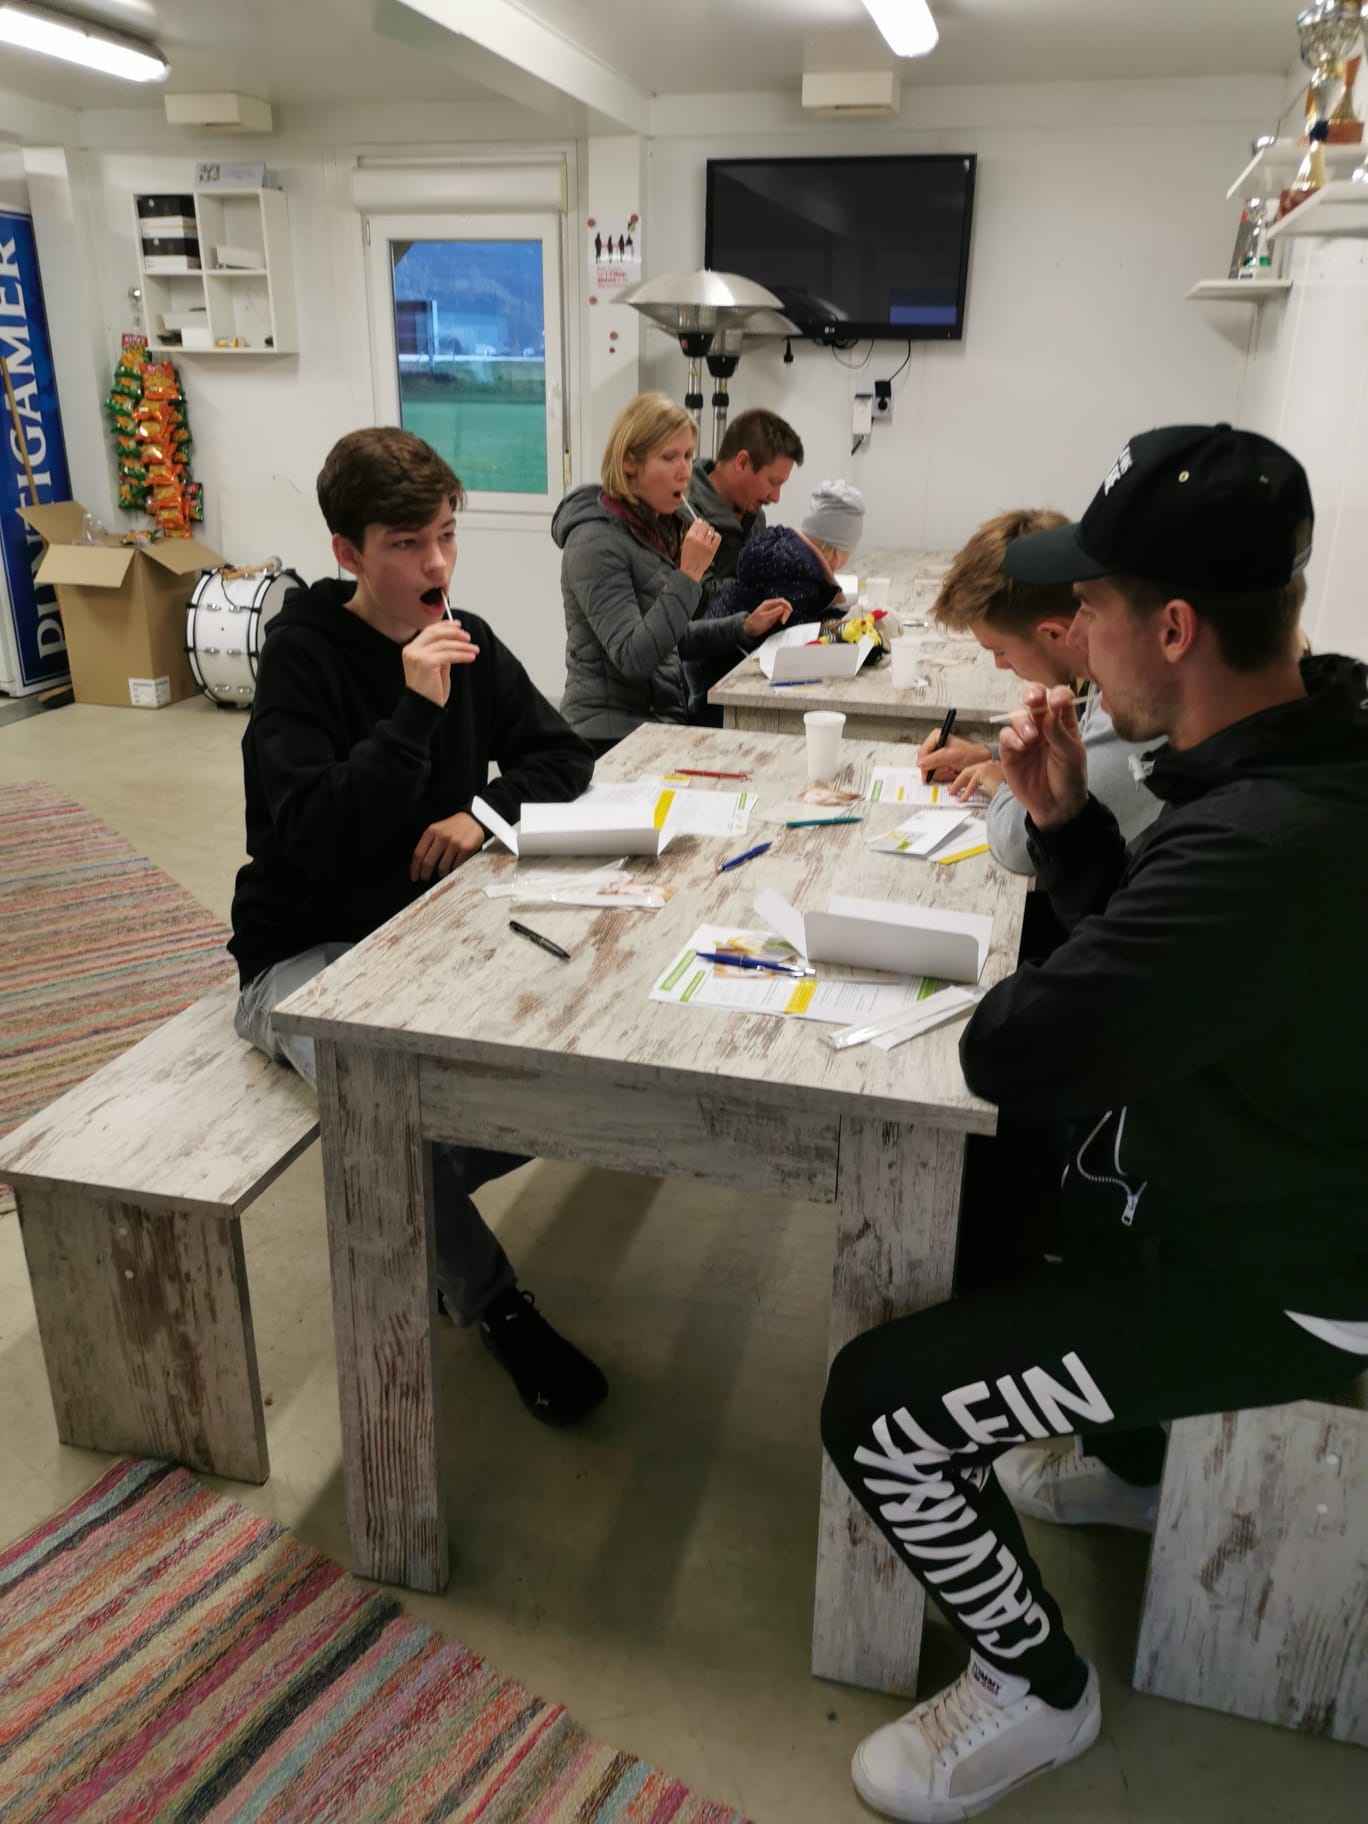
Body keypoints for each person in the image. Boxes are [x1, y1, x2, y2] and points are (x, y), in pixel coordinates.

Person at [820, 424, 1368, 1822]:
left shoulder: (1258, 842)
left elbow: (1017, 1047)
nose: (1075, 638)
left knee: (876, 1407)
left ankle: (1033, 1686)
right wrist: (1067, 828)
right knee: (1008, 1209)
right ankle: (1128, 1462)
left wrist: (1074, 880)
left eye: (1094, 606)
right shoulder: (1317, 739)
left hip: (1293, 1285)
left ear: (1171, 628)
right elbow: (1170, 974)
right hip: (1266, 1181)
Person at [230, 426, 608, 1428]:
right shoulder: (303, 660)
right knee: (383, 1115)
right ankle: (496, 1304)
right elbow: (311, 835)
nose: (436, 565)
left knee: (568, 1063)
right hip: (301, 955)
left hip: (426, 935)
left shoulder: (463, 636)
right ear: (349, 553)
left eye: (445, 536)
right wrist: (411, 717)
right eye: (405, 544)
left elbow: (564, 756)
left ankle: (418, 1188)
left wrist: (481, 812)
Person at [916, 507, 1162, 873]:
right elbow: (1078, 751)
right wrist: (989, 754)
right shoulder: (1104, 674)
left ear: (1054, 635)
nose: (1000, 665)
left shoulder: (1135, 709)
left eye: (999, 651)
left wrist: (1003, 782)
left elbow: (1023, 846)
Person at [554, 392, 791, 751]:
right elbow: (633, 657)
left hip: (658, 719)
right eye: (669, 457)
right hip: (608, 736)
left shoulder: (654, 528)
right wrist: (689, 574)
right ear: (629, 463)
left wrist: (743, 626)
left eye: (688, 455)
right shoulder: (594, 542)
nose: (684, 471)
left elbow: (668, 641)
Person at [684, 478, 866, 723]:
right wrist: (848, 629)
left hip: (707, 662)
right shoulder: (800, 576)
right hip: (721, 682)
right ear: (837, 552)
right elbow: (797, 637)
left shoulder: (785, 552)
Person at [687, 406, 805, 598]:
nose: (775, 497)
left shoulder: (755, 518)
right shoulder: (684, 512)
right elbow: (697, 599)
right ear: (741, 462)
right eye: (773, 482)